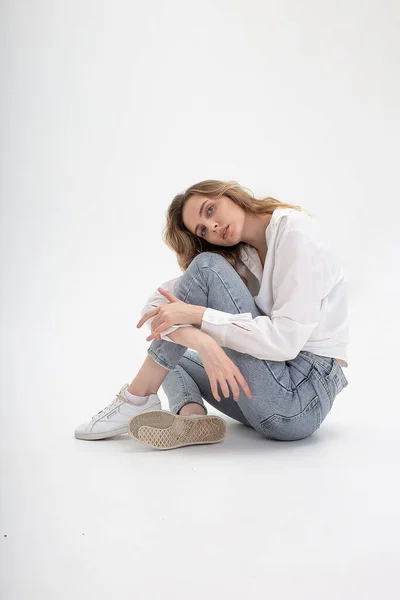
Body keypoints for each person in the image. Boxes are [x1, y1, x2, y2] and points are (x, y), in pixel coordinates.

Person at [75, 179, 349, 450]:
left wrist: (199, 317)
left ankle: (136, 398)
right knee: (175, 358)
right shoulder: (242, 256)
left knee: (206, 267)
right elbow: (156, 306)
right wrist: (202, 343)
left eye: (210, 210)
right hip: (262, 404)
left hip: (299, 400)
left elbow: (285, 342)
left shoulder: (294, 231)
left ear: (228, 194)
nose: (214, 227)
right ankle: (191, 416)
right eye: (203, 231)